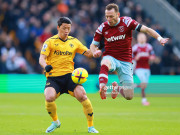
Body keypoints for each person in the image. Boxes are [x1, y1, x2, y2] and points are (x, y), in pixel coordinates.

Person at [90, 3, 169, 100]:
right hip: (111, 57)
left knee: (129, 96)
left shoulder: (127, 22)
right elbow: (93, 45)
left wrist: (160, 38)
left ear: (118, 14)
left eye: (111, 16)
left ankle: (118, 88)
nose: (109, 19)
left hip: (125, 62)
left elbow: (147, 30)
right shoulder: (103, 27)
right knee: (105, 62)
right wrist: (94, 52)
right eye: (107, 17)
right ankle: (102, 87)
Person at [39, 17, 99, 133]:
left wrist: (96, 50)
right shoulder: (50, 41)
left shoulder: (74, 41)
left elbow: (88, 53)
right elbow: (42, 58)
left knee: (83, 96)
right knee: (49, 97)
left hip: (70, 77)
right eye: (64, 28)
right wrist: (45, 66)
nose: (66, 31)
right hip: (54, 77)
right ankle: (55, 122)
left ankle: (91, 127)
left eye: (68, 28)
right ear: (58, 27)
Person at [132, 33, 155, 106]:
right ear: (138, 39)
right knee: (144, 83)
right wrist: (136, 58)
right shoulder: (135, 48)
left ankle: (134, 86)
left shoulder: (149, 47)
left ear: (145, 38)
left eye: (143, 37)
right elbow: (131, 58)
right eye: (140, 37)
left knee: (144, 85)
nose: (142, 38)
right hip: (139, 69)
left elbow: (153, 56)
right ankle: (144, 100)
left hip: (147, 69)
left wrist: (151, 58)